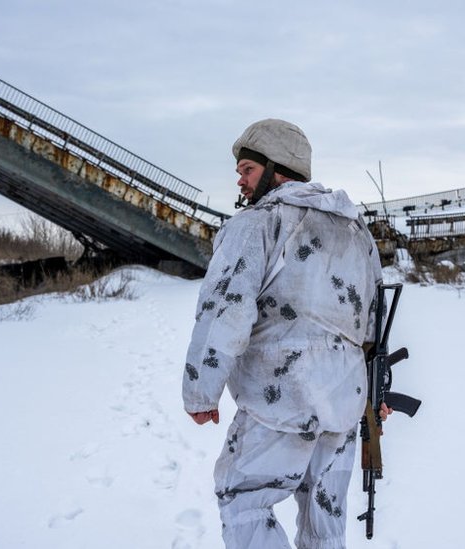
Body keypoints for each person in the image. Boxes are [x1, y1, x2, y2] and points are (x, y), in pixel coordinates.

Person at [182, 118, 386, 548]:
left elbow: (224, 311)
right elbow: (372, 320)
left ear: (278, 169)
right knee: (323, 522)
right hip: (343, 403)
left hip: (280, 398)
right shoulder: (356, 231)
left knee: (243, 500)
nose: (239, 179)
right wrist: (374, 397)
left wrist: (201, 392)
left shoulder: (256, 224)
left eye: (248, 169)